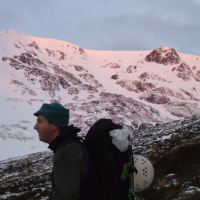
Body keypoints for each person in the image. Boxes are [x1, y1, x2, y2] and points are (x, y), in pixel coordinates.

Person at [34, 102, 97, 200]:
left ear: (54, 125)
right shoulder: (70, 146)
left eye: (40, 121)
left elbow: (64, 197)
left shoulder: (67, 152)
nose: (35, 127)